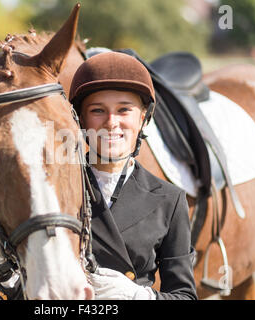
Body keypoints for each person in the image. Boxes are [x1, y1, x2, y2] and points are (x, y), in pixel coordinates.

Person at [68, 51, 197, 300]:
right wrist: (8, 278)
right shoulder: (55, 191)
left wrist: (139, 296)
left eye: (124, 110)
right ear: (81, 119)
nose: (111, 122)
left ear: (143, 118)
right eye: (98, 110)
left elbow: (184, 296)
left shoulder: (170, 201)